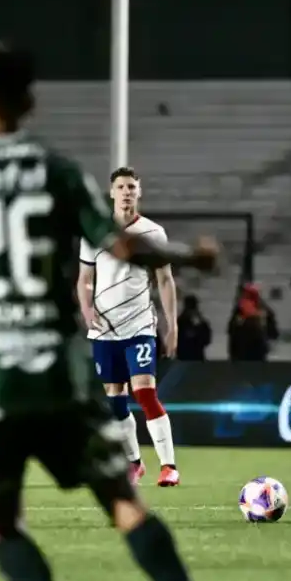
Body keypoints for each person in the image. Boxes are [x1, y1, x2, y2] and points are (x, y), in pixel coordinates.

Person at [0, 41, 217, 581]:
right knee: (123, 504)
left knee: (3, 524)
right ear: (31, 104)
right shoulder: (57, 170)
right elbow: (125, 247)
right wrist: (192, 256)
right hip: (61, 377)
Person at [77, 167, 180, 487]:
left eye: (131, 187)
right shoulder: (94, 232)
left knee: (145, 391)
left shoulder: (152, 233)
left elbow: (164, 279)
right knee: (114, 398)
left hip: (139, 324)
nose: (126, 192)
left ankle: (169, 466)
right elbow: (84, 280)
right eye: (120, 187)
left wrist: (171, 324)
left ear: (139, 192)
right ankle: (134, 463)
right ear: (111, 193)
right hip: (105, 330)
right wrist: (86, 310)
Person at [227, 283, 278, 361]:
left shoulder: (263, 311)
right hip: (245, 353)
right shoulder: (241, 310)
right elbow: (273, 334)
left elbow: (230, 330)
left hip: (250, 352)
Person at [176, 294, 211, 361]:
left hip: (195, 358)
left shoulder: (199, 321)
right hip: (185, 358)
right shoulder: (181, 322)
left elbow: (206, 339)